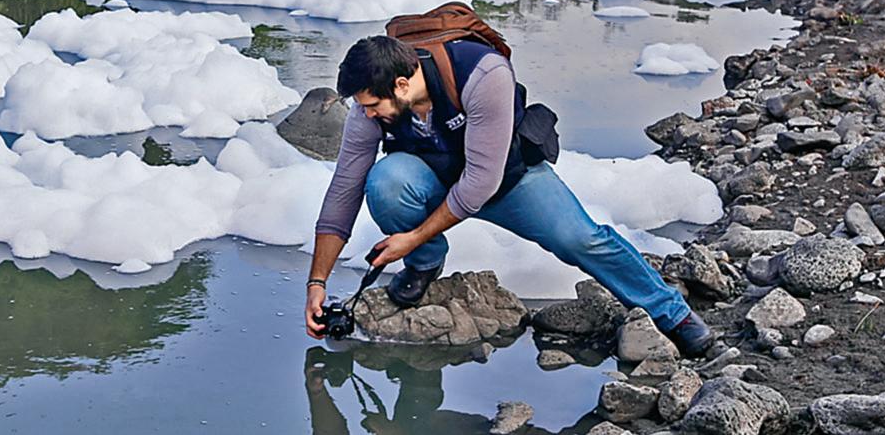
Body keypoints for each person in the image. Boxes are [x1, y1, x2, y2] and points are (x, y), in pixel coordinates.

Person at [301, 33, 713, 356]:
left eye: (373, 105)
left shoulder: (483, 75)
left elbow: (480, 183)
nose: (367, 114)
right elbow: (345, 188)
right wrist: (316, 283)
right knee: (385, 182)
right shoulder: (372, 107)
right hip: (433, 176)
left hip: (507, 180)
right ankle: (425, 264)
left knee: (580, 238)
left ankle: (672, 314)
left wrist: (412, 237)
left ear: (402, 84)